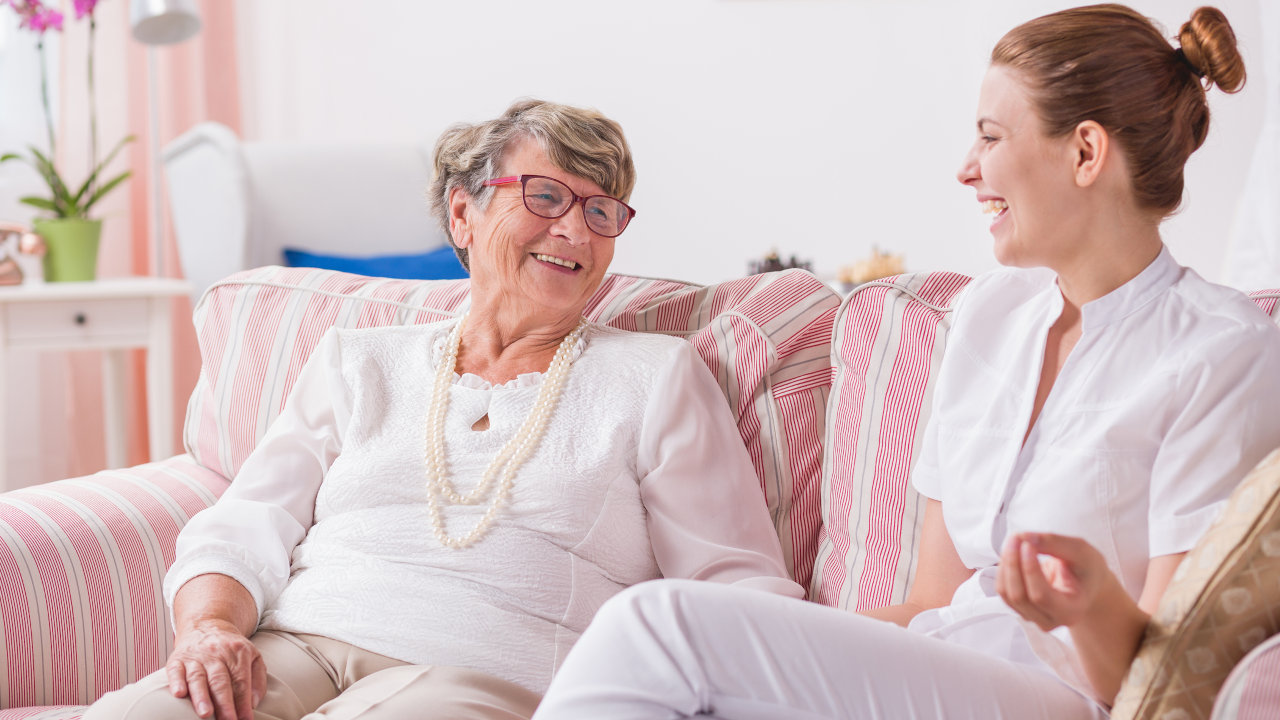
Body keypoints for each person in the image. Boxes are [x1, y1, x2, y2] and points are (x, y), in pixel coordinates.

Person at [530, 6, 1280, 719]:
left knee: (662, 626)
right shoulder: (990, 316)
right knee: (693, 678)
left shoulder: (1222, 351)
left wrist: (1090, 609)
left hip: (1068, 694)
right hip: (942, 663)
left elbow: (1168, 676)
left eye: (990, 137)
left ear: (1086, 152)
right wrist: (802, 664)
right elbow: (930, 602)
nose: (966, 168)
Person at [86, 99, 803, 720]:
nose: (577, 232)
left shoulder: (653, 376)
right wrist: (209, 630)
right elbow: (244, 527)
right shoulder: (358, 359)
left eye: (600, 211)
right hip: (293, 647)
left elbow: (731, 582)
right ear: (463, 212)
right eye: (547, 197)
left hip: (488, 677)